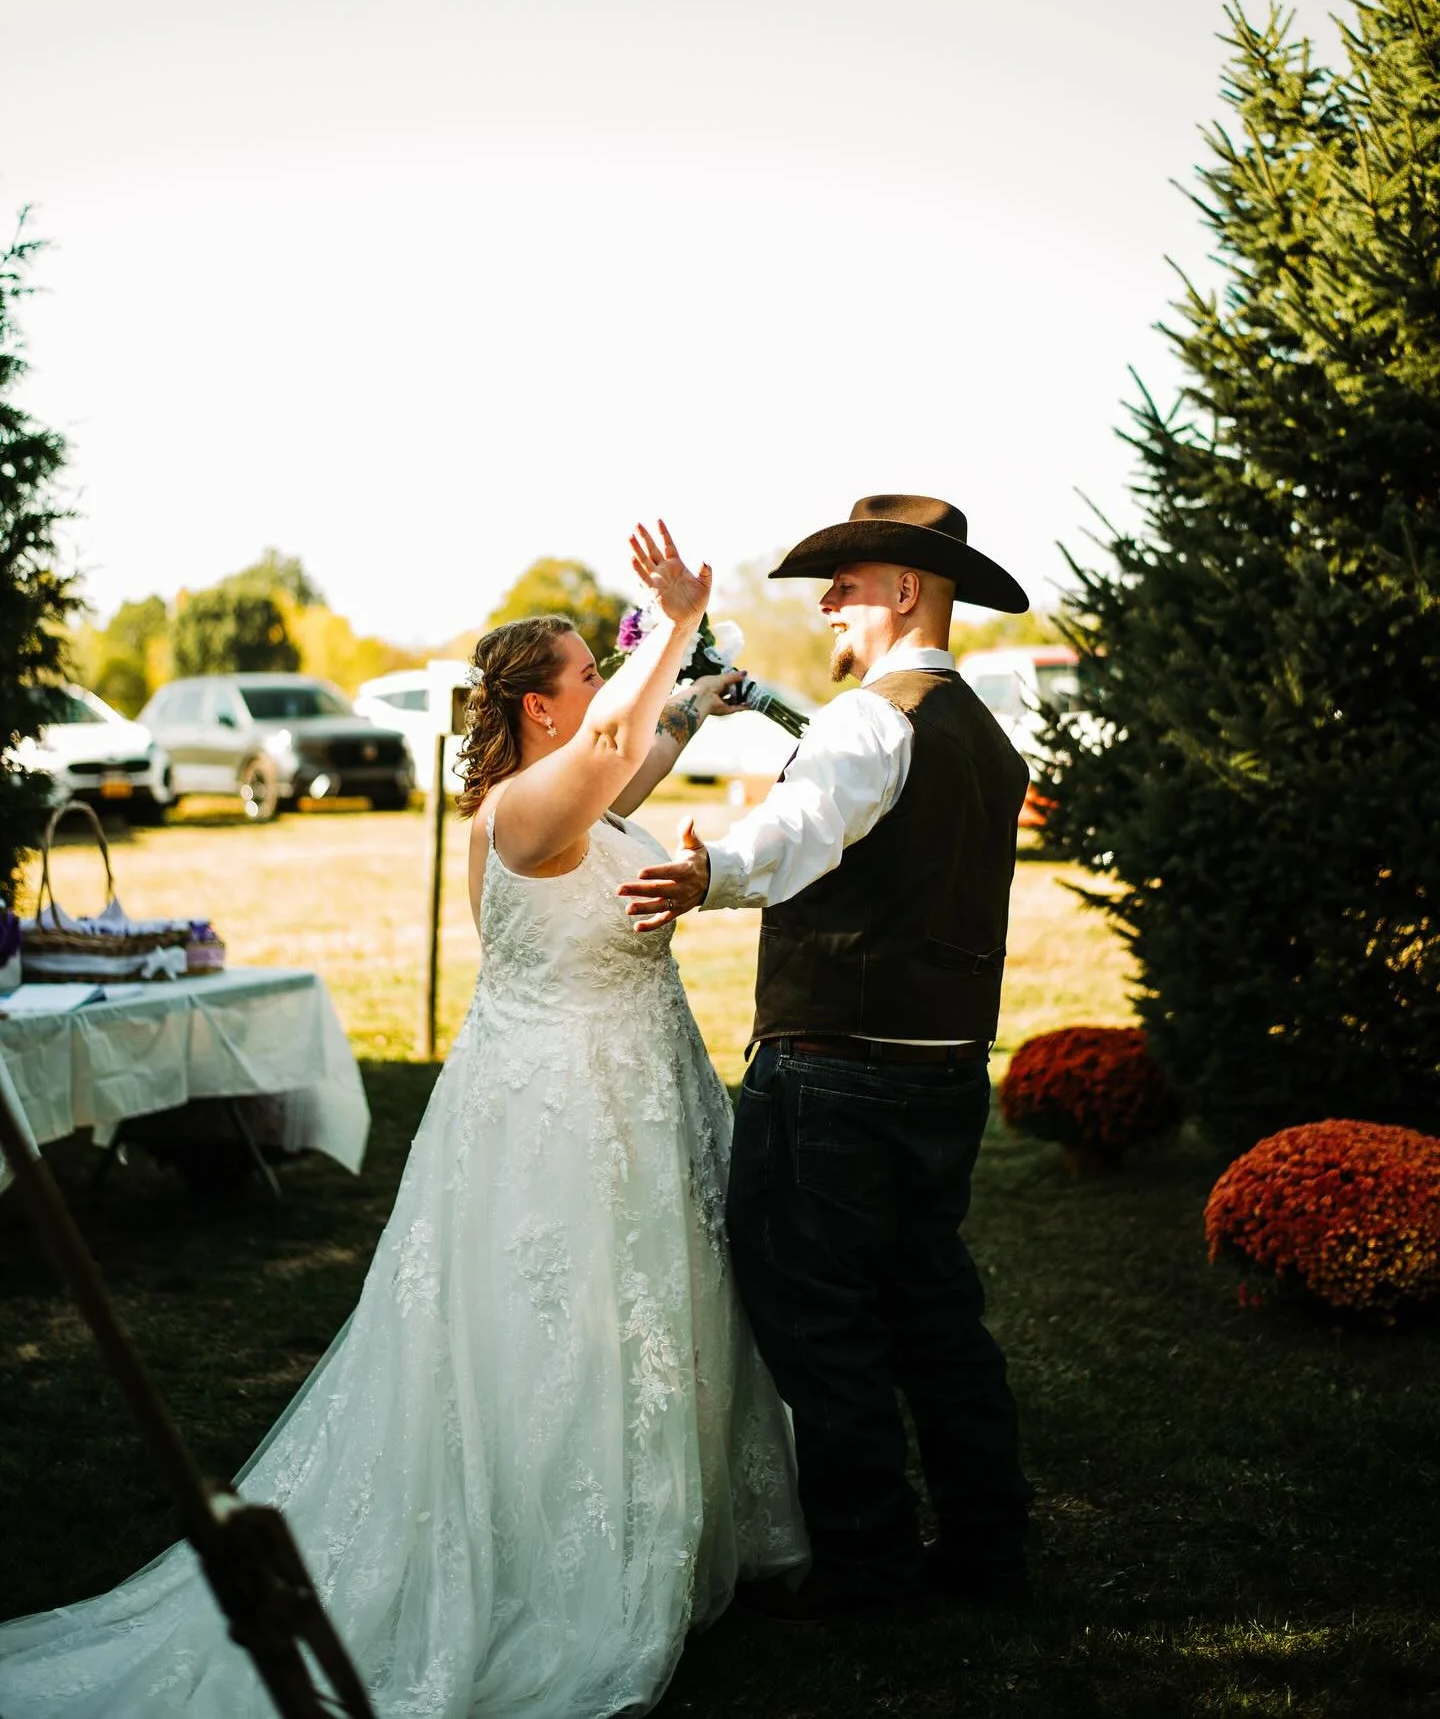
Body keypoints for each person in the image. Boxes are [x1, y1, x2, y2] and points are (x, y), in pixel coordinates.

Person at [0, 522, 807, 1717]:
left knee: (656, 1316)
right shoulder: (524, 812)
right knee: (572, 1332)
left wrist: (691, 704)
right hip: (568, 1117)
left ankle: (674, 1527)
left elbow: (626, 768)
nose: (604, 684)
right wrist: (677, 621)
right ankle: (561, 1557)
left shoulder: (568, 797)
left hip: (626, 1094)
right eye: (587, 671)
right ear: (540, 708)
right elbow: (607, 754)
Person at [619, 494, 1035, 1623]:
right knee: (935, 1311)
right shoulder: (986, 736)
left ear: (906, 590)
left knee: (823, 1320)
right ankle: (990, 1546)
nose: (830, 604)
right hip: (948, 1068)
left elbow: (803, 826)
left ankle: (868, 1571)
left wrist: (710, 872)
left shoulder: (872, 718)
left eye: (846, 584)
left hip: (837, 1073)